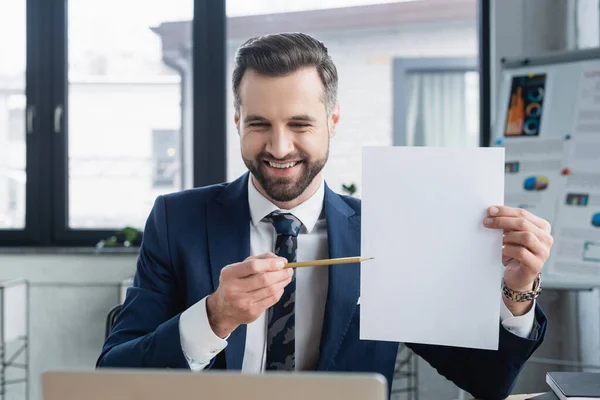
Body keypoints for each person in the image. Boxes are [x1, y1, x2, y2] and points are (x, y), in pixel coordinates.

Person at [97, 32, 553, 399]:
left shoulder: (385, 232)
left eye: (300, 124)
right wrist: (214, 317)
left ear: (333, 122)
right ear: (238, 122)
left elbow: (487, 381)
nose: (278, 148)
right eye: (259, 125)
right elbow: (112, 379)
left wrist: (517, 292)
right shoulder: (179, 220)